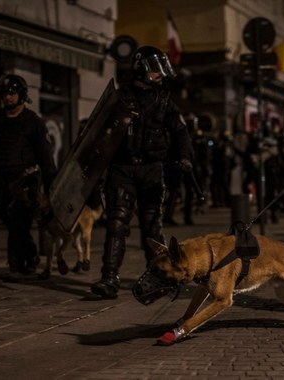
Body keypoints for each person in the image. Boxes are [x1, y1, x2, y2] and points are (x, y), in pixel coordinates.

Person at [90, 46, 193, 299]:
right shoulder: (120, 97)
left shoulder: (164, 100)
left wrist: (185, 156)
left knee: (152, 228)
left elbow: (179, 131)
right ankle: (109, 278)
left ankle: (160, 277)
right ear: (142, 68)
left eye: (160, 69)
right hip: (122, 168)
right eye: (155, 68)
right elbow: (99, 133)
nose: (159, 74)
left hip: (151, 169)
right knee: (116, 224)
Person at [0, 74, 57, 280]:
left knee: (19, 222)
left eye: (12, 94)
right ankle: (29, 256)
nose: (8, 98)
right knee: (9, 221)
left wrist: (52, 189)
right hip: (1, 180)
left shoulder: (34, 122)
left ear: (21, 95)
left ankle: (17, 264)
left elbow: (45, 156)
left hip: (26, 181)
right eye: (5, 94)